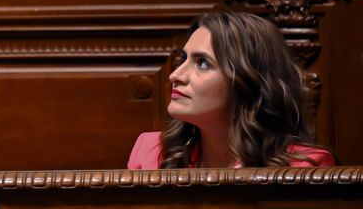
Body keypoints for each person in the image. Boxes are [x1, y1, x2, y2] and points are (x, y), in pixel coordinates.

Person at [127, 11, 335, 169]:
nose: (175, 76)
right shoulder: (150, 152)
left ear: (247, 82)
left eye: (202, 63)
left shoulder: (306, 166)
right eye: (183, 59)